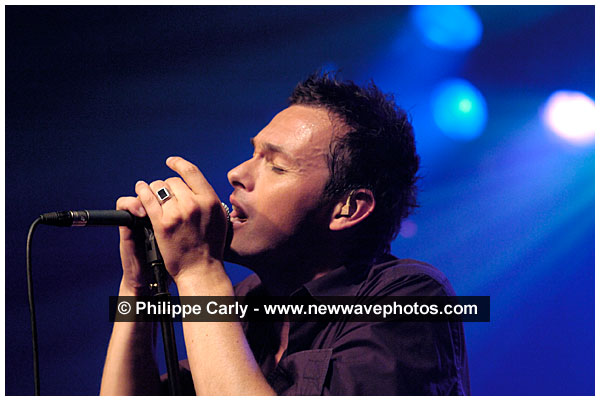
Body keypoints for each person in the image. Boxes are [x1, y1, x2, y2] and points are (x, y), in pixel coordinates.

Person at [99, 72, 470, 396]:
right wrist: (137, 287)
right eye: (253, 155)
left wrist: (199, 271)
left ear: (347, 209)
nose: (236, 173)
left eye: (276, 166)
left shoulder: (411, 298)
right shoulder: (250, 303)